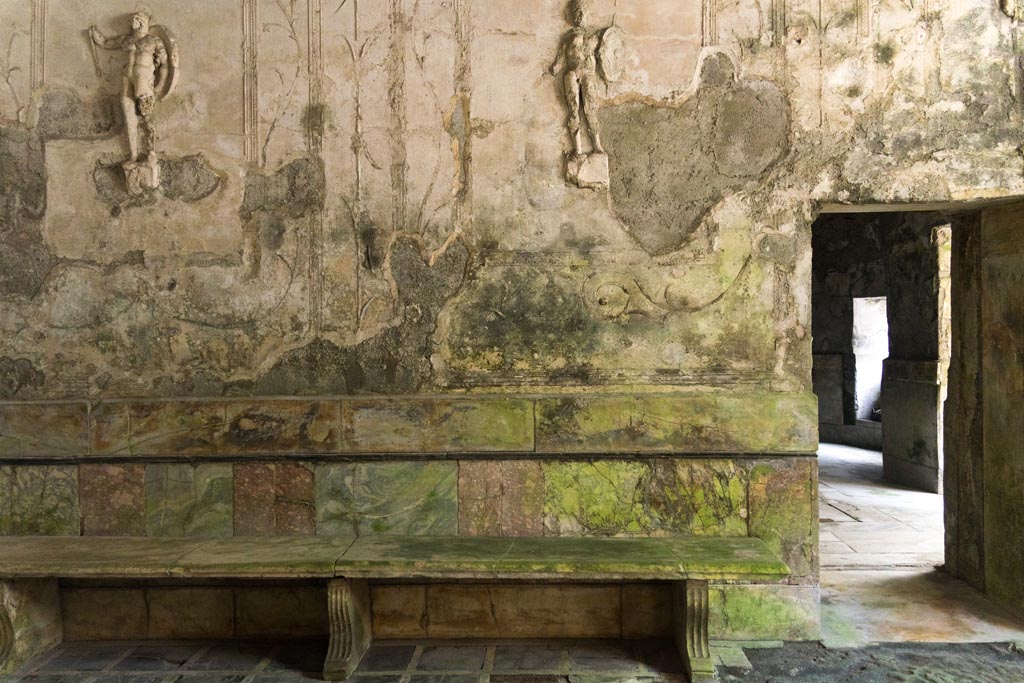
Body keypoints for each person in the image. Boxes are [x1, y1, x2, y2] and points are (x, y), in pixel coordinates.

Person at [90, 12, 168, 166]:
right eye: (133, 19)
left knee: (146, 115)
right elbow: (106, 43)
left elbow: (165, 65)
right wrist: (95, 34)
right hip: (127, 77)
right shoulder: (127, 39)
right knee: (128, 115)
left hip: (144, 79)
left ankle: (151, 152)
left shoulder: (153, 40)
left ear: (145, 22)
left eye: (139, 19)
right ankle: (133, 154)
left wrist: (160, 85)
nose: (135, 21)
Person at [549, 0, 605, 157]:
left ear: (587, 14)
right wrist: (555, 67)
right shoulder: (568, 39)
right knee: (574, 110)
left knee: (590, 109)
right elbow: (558, 62)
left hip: (587, 74)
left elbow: (605, 49)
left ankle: (597, 146)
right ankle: (578, 149)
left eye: (582, 12)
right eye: (576, 12)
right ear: (572, 15)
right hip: (572, 74)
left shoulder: (593, 37)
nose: (579, 15)